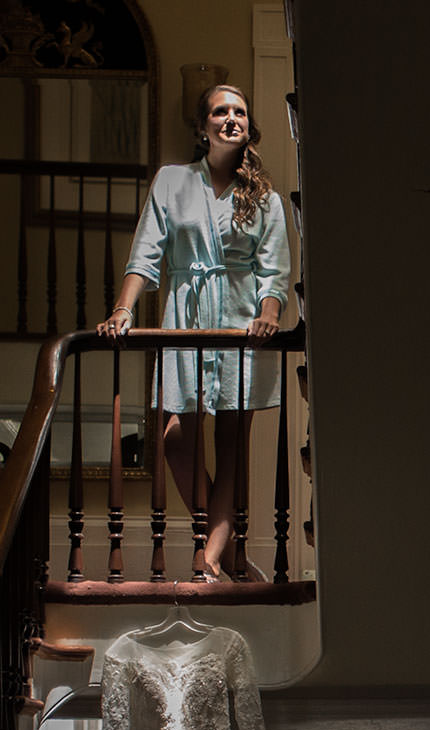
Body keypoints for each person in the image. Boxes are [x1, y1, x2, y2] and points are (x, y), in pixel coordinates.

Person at [98, 84, 291, 581]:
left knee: (231, 446)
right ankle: (228, 553)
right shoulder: (171, 181)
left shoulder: (265, 198)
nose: (232, 118)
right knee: (176, 438)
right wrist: (123, 309)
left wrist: (269, 313)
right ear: (202, 127)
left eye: (240, 112)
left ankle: (206, 558)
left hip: (242, 326)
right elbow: (146, 252)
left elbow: (274, 273)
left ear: (250, 125)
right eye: (220, 111)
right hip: (185, 320)